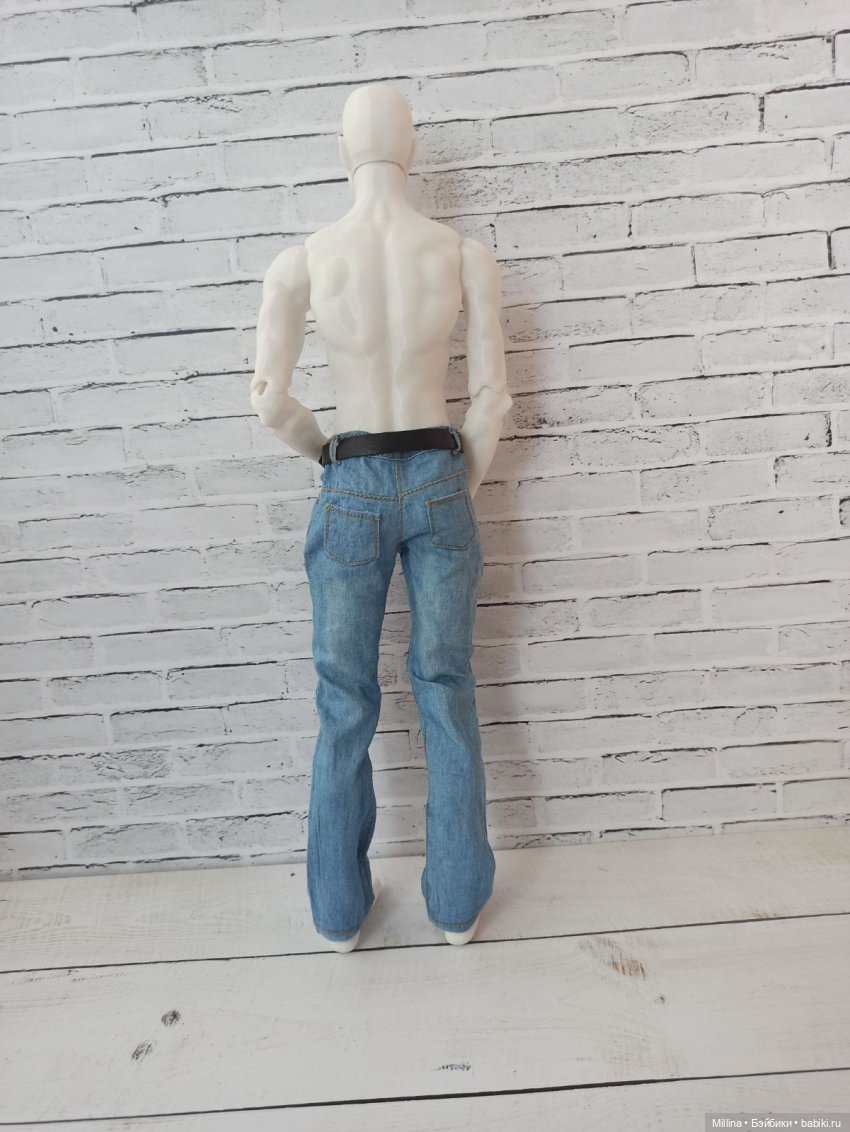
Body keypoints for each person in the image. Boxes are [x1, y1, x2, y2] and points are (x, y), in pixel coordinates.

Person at [250, 82, 512, 951]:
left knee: (344, 699)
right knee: (447, 685)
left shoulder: (303, 261)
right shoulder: (463, 253)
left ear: (342, 152)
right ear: (413, 151)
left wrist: (333, 461)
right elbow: (494, 401)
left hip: (351, 473)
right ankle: (457, 905)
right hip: (440, 468)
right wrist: (453, 486)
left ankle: (337, 914)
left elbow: (269, 398)